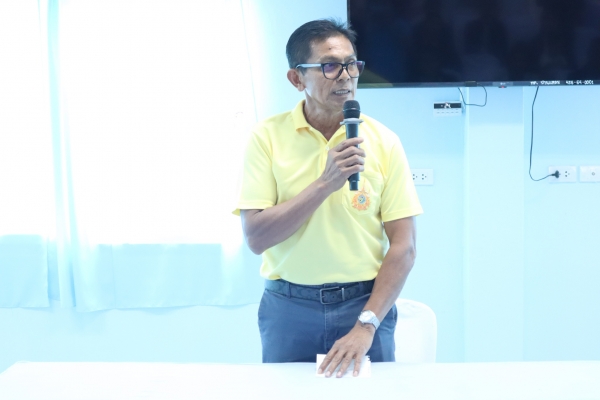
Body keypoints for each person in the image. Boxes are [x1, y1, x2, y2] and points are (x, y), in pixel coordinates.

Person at [233, 18, 422, 378]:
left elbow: (405, 247)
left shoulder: (384, 141)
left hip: (364, 306)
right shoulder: (265, 138)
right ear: (296, 79)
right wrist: (325, 184)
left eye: (352, 64)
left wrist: (366, 325)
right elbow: (257, 238)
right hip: (288, 309)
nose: (346, 77)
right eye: (330, 66)